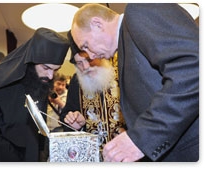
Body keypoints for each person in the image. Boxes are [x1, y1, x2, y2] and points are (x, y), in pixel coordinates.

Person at [70, 3, 199, 162]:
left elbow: (193, 69)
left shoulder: (140, 9)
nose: (90, 56)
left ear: (97, 24)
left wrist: (141, 138)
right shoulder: (124, 44)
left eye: (86, 46)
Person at [0, 27, 69, 162]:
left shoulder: (40, 79)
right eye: (46, 68)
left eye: (56, 70)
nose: (50, 76)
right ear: (32, 59)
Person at [60, 31, 126, 161]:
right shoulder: (76, 81)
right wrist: (74, 123)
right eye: (78, 63)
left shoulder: (123, 70)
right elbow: (66, 115)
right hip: (91, 157)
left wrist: (131, 132)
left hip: (125, 154)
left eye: (88, 59)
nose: (84, 68)